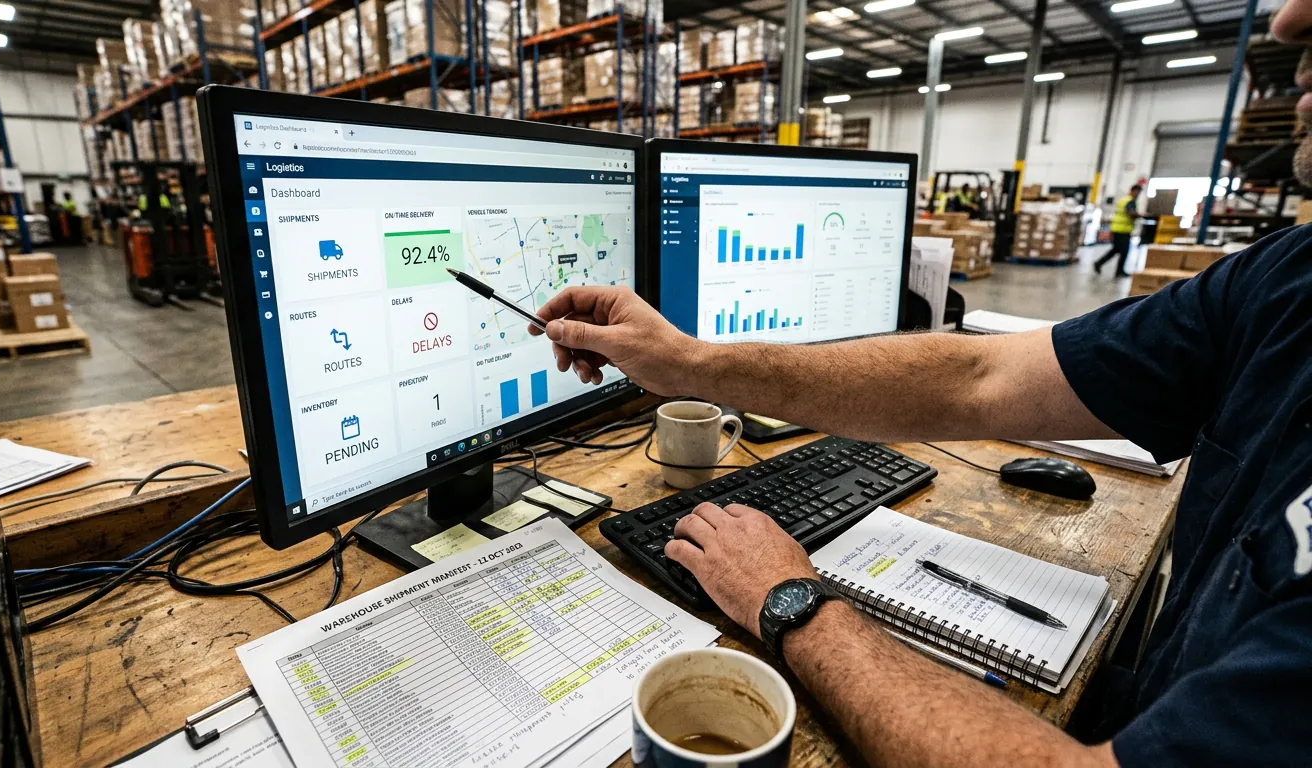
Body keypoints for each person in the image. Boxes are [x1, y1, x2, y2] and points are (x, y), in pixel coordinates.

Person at [529, 6, 1312, 752]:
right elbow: (981, 374)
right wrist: (690, 362)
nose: (1286, 22)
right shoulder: (1286, 283)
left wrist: (790, 599)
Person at [1094, 184, 1142, 277]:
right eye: (1137, 192)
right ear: (1132, 191)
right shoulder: (1130, 201)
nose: (1138, 194)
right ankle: (1119, 271)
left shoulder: (1123, 200)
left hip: (1118, 228)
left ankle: (1099, 263)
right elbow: (1130, 213)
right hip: (1122, 230)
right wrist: (1138, 215)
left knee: (1116, 250)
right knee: (1124, 251)